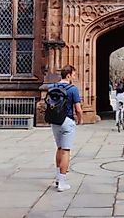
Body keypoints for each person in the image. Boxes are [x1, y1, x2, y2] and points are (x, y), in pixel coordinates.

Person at [50, 64, 82, 192]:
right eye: (73, 75)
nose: (74, 77)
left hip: (55, 121)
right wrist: (80, 119)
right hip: (67, 121)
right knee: (66, 151)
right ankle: (62, 182)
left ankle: (58, 178)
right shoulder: (72, 89)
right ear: (68, 75)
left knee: (58, 148)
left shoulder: (52, 87)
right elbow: (78, 109)